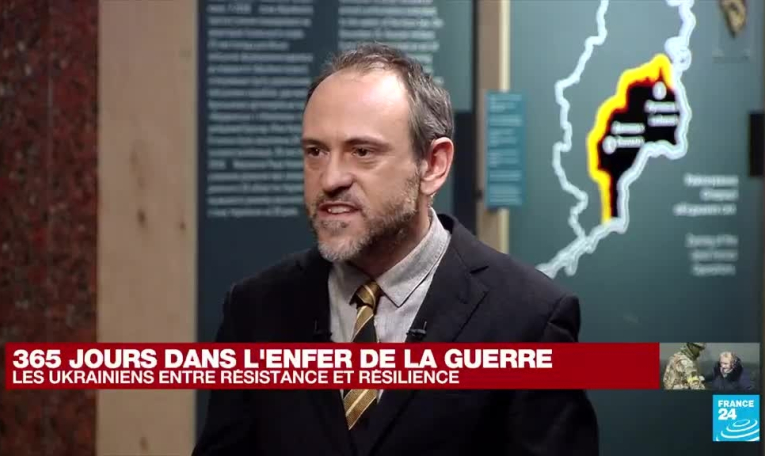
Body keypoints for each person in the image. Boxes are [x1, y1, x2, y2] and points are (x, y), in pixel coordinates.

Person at [193, 43, 599, 456]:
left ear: (433, 165)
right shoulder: (255, 310)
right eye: (316, 152)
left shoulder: (528, 320)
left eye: (362, 152)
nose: (330, 179)